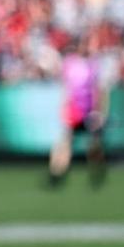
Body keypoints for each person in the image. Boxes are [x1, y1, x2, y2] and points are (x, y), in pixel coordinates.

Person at [47, 29, 109, 189]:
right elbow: (66, 88)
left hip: (89, 111)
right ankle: (56, 174)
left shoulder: (94, 64)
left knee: (94, 146)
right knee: (64, 143)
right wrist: (64, 107)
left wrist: (99, 111)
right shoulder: (70, 63)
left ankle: (97, 174)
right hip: (74, 110)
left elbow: (99, 90)